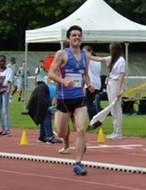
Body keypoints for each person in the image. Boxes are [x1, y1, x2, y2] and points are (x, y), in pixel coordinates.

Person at [48, 25, 94, 176]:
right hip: (64, 99)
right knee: (61, 133)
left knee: (81, 130)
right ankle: (57, 117)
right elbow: (51, 73)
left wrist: (89, 84)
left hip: (79, 98)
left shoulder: (85, 55)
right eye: (73, 35)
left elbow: (85, 74)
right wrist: (63, 81)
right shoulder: (62, 54)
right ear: (68, 39)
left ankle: (78, 163)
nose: (76, 37)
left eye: (79, 35)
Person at [89, 43, 126, 139]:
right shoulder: (112, 58)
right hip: (110, 83)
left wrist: (119, 89)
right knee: (113, 108)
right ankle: (115, 131)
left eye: (111, 49)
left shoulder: (121, 60)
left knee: (116, 108)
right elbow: (98, 59)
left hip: (116, 83)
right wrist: (88, 56)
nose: (110, 50)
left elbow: (122, 76)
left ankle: (118, 132)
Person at [83, 46, 101, 121]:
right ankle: (95, 119)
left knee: (89, 104)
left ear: (90, 52)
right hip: (97, 83)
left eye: (84, 52)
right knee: (90, 103)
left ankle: (93, 120)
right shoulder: (98, 61)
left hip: (91, 83)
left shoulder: (89, 60)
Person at [0, 55, 13, 136]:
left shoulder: (9, 70)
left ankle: (7, 129)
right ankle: (2, 128)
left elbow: (9, 81)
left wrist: (8, 91)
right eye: (0, 61)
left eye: (3, 61)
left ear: (5, 61)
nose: (2, 62)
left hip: (5, 91)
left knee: (5, 110)